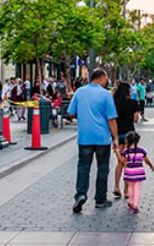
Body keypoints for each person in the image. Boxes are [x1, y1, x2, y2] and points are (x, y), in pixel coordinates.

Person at [68, 69, 119, 213]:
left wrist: (82, 115)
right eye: (106, 79)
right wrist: (115, 138)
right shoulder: (106, 95)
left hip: (84, 137)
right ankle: (100, 199)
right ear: (102, 78)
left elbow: (71, 113)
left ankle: (81, 194)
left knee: (83, 167)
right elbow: (111, 119)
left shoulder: (79, 92)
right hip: (102, 138)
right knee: (103, 167)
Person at [112, 83, 141, 199]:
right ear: (128, 91)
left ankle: (116, 186)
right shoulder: (133, 103)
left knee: (120, 162)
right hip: (130, 135)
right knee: (128, 163)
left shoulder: (114, 103)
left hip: (117, 134)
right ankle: (126, 191)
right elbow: (135, 120)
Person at [120, 131, 154, 214]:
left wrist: (118, 153)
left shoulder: (126, 152)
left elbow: (122, 161)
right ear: (137, 141)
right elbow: (146, 160)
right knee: (137, 188)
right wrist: (151, 165)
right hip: (139, 172)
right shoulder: (141, 151)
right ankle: (135, 205)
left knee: (130, 187)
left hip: (129, 172)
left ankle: (130, 202)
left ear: (127, 141)